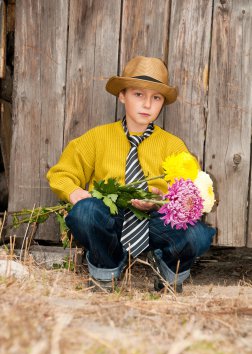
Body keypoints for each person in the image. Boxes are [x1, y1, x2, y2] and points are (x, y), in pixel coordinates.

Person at [47, 56, 216, 292]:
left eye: (155, 98)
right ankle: (105, 270)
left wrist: (160, 199)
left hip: (157, 223)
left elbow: (189, 195)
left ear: (162, 103)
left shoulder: (173, 146)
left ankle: (169, 271)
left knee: (198, 235)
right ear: (122, 95)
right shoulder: (97, 138)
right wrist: (74, 192)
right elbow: (61, 173)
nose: (147, 105)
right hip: (111, 219)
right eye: (139, 95)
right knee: (85, 213)